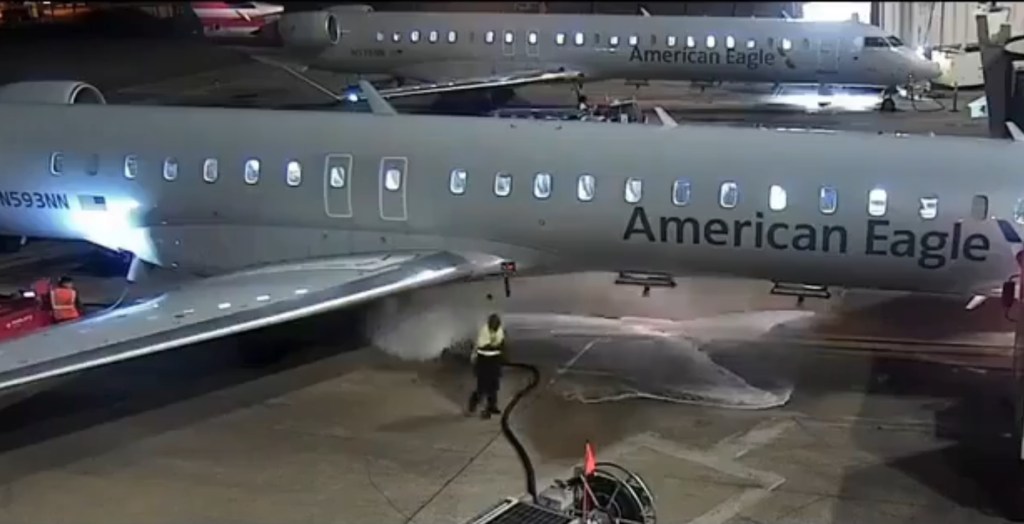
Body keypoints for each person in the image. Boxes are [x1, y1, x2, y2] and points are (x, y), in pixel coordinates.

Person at [467, 313, 506, 419]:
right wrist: (496, 347)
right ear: (489, 324)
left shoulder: (499, 330)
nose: (496, 326)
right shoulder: (484, 331)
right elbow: (485, 346)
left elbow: (501, 343)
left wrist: (502, 353)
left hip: (495, 360)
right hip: (483, 360)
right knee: (482, 387)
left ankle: (492, 406)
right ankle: (472, 404)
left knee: (494, 385)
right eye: (494, 324)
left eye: (497, 324)